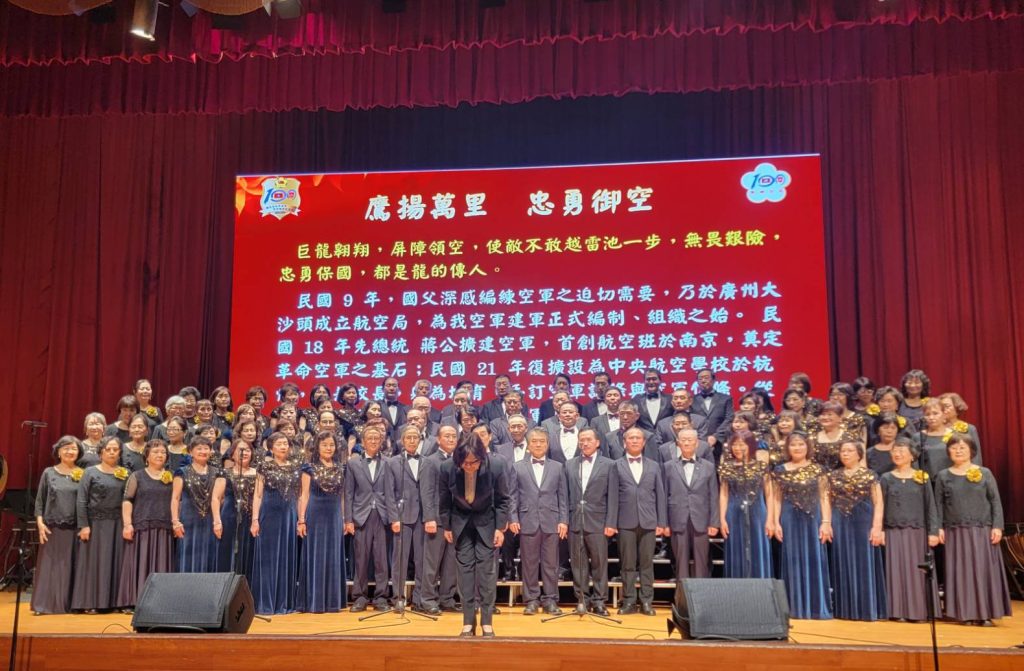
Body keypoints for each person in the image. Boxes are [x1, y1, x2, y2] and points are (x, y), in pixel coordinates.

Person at [439, 433, 511, 637]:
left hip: (486, 522)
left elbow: (503, 500)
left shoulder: (496, 465)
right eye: (465, 463)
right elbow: (444, 501)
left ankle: (487, 622)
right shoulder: (447, 468)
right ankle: (468, 622)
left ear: (482, 457)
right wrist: (447, 527)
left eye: (473, 463)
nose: (469, 467)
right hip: (460, 524)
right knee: (465, 575)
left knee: (487, 574)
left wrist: (500, 528)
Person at [934, 434, 1011, 625]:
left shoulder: (984, 473)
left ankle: (985, 614)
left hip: (981, 529)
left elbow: (995, 501)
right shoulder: (943, 476)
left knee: (983, 570)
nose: (958, 451)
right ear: (948, 452)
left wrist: (997, 526)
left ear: (971, 451)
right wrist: (939, 527)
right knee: (960, 571)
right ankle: (964, 613)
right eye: (954, 448)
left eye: (962, 447)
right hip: (955, 531)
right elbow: (938, 504)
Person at [772, 432, 832, 619]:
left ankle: (816, 606)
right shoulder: (780, 470)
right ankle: (795, 607)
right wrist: (775, 522)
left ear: (808, 446)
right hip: (789, 519)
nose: (797, 448)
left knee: (815, 559)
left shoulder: (819, 470)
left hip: (813, 520)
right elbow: (776, 499)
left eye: (801, 444)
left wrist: (826, 522)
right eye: (793, 445)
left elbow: (824, 497)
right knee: (792, 560)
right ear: (787, 448)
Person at [879, 437, 939, 622]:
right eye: (895, 451)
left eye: (901, 451)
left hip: (917, 531)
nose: (897, 454)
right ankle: (897, 611)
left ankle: (919, 612)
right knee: (896, 571)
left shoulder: (922, 477)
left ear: (912, 456)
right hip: (893, 531)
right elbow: (880, 506)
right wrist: (880, 529)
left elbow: (931, 506)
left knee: (917, 571)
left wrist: (933, 531)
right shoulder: (886, 478)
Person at [509, 428, 568, 616]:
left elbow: (563, 496)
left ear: (548, 444)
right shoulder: (517, 467)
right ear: (528, 445)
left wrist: (564, 520)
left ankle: (551, 599)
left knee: (551, 564)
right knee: (529, 563)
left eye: (542, 441)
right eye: (534, 441)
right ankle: (531, 600)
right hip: (527, 520)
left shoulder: (558, 467)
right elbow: (512, 496)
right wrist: (513, 517)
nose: (538, 444)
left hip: (552, 521)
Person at [827, 440, 886, 621]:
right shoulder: (833, 476)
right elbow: (827, 501)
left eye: (850, 451)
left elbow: (878, 503)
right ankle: (845, 609)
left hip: (863, 523)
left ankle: (866, 608)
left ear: (859, 454)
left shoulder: (870, 475)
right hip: (840, 523)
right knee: (842, 561)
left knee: (864, 563)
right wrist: (827, 523)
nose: (845, 454)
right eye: (843, 451)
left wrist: (877, 527)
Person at [563, 428, 617, 615]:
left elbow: (613, 496)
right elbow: (564, 495)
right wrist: (565, 520)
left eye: (588, 439)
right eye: (581, 440)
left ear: (597, 442)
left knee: (599, 563)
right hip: (575, 521)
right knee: (578, 564)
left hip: (599, 521)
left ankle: (600, 600)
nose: (584, 443)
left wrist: (611, 522)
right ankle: (582, 599)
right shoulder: (569, 464)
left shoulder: (609, 465)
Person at [613, 427, 667, 616]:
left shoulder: (654, 466)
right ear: (624, 442)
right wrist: (612, 522)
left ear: (644, 443)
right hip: (625, 521)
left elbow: (660, 495)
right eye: (631, 438)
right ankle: (628, 601)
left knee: (646, 564)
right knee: (627, 564)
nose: (635, 441)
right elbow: (613, 496)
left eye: (638, 438)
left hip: (649, 521)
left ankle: (646, 601)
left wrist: (662, 522)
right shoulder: (616, 465)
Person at [71, 436, 128, 612]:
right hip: (95, 524)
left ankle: (114, 602)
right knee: (94, 563)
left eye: (115, 449)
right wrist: (84, 525)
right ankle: (92, 603)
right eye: (108, 449)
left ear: (119, 452)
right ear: (101, 452)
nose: (111, 452)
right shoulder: (90, 472)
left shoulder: (126, 473)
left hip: (118, 524)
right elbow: (81, 500)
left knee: (116, 562)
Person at [117, 439, 174, 609]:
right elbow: (127, 500)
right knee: (139, 563)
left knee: (161, 564)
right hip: (142, 526)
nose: (160, 455)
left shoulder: (171, 477)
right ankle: (135, 600)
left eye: (163, 452)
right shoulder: (137, 476)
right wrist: (128, 524)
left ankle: (159, 602)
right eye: (155, 452)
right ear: (147, 456)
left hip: (164, 527)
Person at [295, 431, 346, 613]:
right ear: (317, 447)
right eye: (324, 445)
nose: (328, 448)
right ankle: (314, 601)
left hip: (334, 516)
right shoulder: (308, 468)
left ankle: (332, 602)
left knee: (333, 555)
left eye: (331, 445)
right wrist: (301, 520)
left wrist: (343, 518)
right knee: (315, 555)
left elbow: (342, 497)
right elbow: (304, 495)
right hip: (315, 514)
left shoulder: (341, 468)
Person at [32, 436, 84, 614]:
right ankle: (43, 606)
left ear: (79, 452)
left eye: (74, 448)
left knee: (70, 565)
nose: (70, 452)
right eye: (66, 448)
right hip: (51, 527)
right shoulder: (49, 473)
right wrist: (40, 524)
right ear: (59, 452)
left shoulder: (84, 473)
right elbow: (40, 501)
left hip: (74, 528)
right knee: (49, 566)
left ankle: (69, 604)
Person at [344, 425, 392, 612]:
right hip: (361, 516)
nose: (373, 441)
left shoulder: (388, 462)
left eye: (376, 438)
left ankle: (381, 597)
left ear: (381, 441)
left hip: (382, 515)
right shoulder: (353, 463)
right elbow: (349, 493)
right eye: (369, 438)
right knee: (361, 559)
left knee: (381, 559)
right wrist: (348, 520)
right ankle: (359, 597)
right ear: (363, 442)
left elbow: (391, 492)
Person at [663, 427, 719, 581]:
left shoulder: (708, 466)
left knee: (702, 562)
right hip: (677, 519)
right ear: (678, 443)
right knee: (680, 563)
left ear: (697, 443)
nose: (687, 443)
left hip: (701, 520)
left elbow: (714, 495)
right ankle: (682, 594)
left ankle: (701, 594)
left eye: (690, 440)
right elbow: (664, 496)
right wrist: (664, 523)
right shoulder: (668, 466)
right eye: (683, 440)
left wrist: (714, 523)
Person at [718, 431, 773, 578]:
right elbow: (723, 494)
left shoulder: (761, 466)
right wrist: (722, 519)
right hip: (733, 513)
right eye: (735, 445)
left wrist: (770, 520)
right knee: (736, 549)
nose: (738, 448)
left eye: (742, 444)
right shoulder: (727, 467)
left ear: (750, 445)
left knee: (757, 548)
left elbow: (769, 494)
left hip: (757, 512)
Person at [418, 424, 461, 615]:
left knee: (451, 563)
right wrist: (429, 518)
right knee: (432, 563)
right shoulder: (430, 461)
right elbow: (426, 492)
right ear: (438, 439)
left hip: (456, 520)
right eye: (447, 436)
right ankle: (427, 599)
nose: (451, 439)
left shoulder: (460, 460)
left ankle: (447, 598)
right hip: (436, 519)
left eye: (453, 436)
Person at [385, 424, 427, 610]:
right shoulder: (393, 462)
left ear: (420, 440)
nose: (412, 440)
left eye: (415, 437)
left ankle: (419, 599)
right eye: (408, 437)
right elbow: (389, 493)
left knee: (421, 560)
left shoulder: (427, 461)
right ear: (402, 441)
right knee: (400, 560)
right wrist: (394, 518)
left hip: (422, 517)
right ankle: (398, 597)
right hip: (402, 516)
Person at [171, 435, 218, 573]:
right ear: (190, 452)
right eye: (199, 448)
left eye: (206, 448)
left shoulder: (216, 472)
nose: (203, 451)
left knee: (209, 555)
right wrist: (175, 522)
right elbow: (175, 498)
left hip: (210, 520)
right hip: (188, 520)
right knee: (188, 554)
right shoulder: (182, 472)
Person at [212, 439, 257, 579]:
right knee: (228, 552)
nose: (244, 453)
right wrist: (217, 521)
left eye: (248, 450)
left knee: (250, 553)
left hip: (252, 519)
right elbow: (216, 498)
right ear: (232, 454)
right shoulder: (225, 473)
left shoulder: (258, 474)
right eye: (240, 450)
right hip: (230, 517)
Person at [689, 368, 734, 451]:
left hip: (720, 441)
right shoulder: (692, 400)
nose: (703, 381)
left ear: (713, 380)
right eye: (700, 379)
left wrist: (716, 436)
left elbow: (729, 418)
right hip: (698, 441)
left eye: (706, 378)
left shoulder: (725, 399)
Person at [631, 368, 672, 432]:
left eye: (654, 379)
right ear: (644, 382)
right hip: (644, 437)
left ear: (660, 381)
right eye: (648, 379)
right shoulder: (637, 400)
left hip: (665, 437)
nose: (651, 382)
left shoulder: (669, 399)